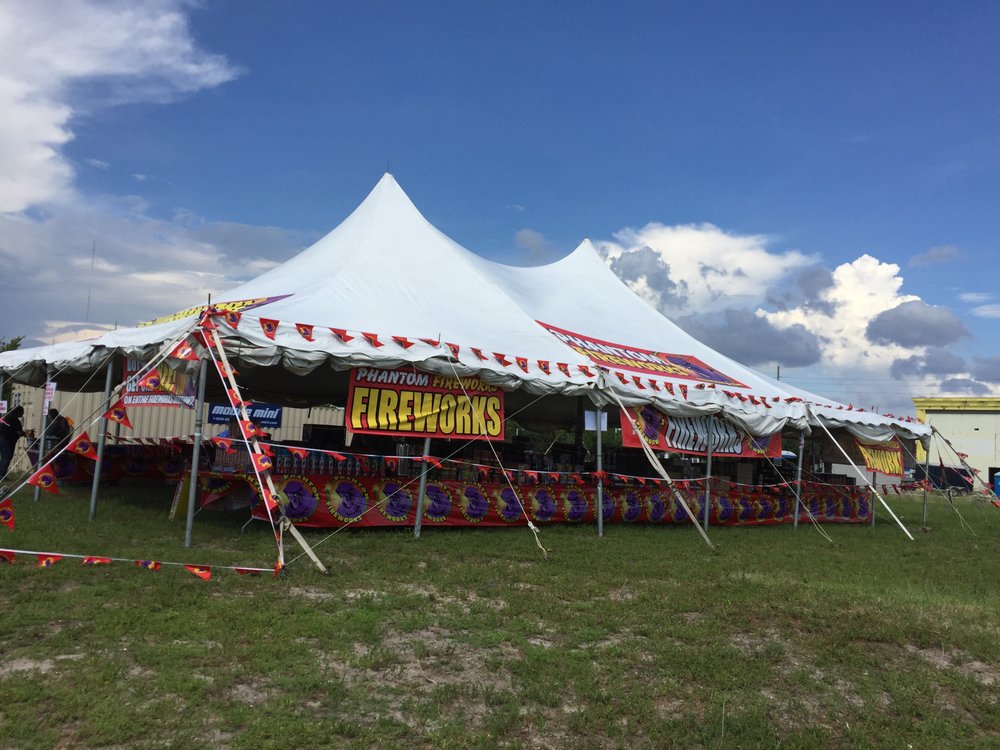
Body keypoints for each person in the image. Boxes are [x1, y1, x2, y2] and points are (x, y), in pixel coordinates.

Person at [0, 405, 25, 479]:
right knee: (7, 457)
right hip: (6, 440)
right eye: (22, 411)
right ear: (18, 412)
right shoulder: (15, 420)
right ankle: (2, 475)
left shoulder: (5, 417)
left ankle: (1, 472)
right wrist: (25, 433)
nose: (23, 413)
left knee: (4, 457)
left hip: (2, 438)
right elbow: (19, 432)